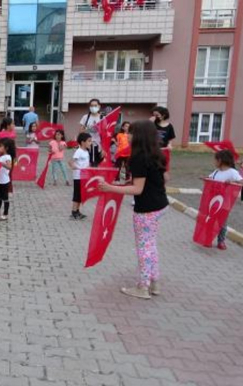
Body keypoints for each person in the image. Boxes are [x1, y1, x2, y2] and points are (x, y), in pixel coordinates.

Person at [98, 120, 169, 300]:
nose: (127, 135)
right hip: (160, 204)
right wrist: (125, 184)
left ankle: (143, 287)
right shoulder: (156, 154)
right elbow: (162, 179)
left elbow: (138, 189)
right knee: (151, 245)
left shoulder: (138, 157)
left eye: (130, 132)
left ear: (139, 136)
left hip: (146, 208)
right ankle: (155, 283)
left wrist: (110, 188)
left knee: (144, 247)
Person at [208, 150, 243, 250]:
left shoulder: (233, 172)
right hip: (214, 202)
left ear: (221, 160)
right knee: (211, 221)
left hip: (225, 203)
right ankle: (209, 239)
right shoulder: (216, 171)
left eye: (215, 160)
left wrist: (233, 181)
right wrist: (205, 179)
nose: (214, 162)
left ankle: (221, 241)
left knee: (222, 223)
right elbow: (210, 178)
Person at [70, 132, 92, 220]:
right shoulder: (79, 151)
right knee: (77, 195)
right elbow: (71, 161)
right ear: (83, 142)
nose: (90, 143)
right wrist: (75, 167)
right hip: (78, 177)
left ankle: (77, 211)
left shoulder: (86, 151)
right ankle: (73, 212)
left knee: (81, 195)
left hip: (84, 176)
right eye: (89, 141)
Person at [79, 98, 104, 167]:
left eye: (95, 105)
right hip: (87, 145)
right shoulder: (85, 117)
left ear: (99, 106)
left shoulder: (103, 118)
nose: (93, 107)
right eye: (92, 105)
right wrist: (88, 129)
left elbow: (105, 134)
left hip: (98, 146)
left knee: (96, 165)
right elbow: (80, 132)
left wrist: (104, 148)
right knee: (86, 164)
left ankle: (94, 177)